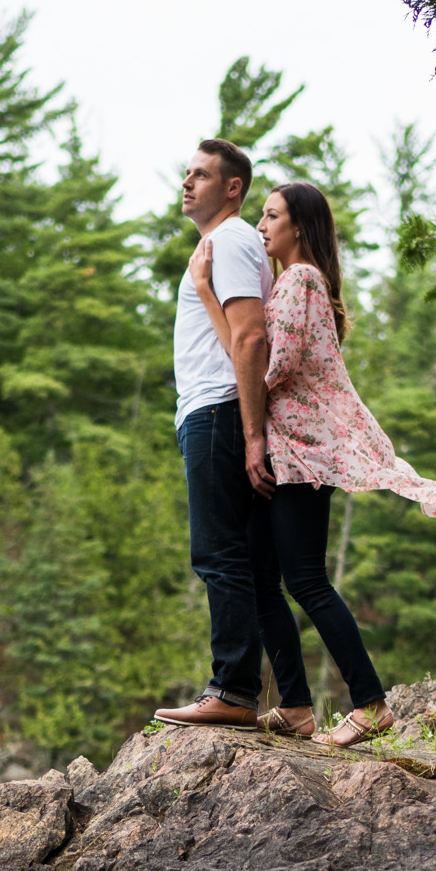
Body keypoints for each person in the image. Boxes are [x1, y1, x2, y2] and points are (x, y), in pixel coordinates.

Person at [189, 179, 436, 748]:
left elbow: (259, 366)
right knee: (260, 579)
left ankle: (372, 703)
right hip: (284, 458)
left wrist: (207, 291)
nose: (261, 226)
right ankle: (298, 707)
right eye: (261, 215)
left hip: (303, 461)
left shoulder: (302, 280)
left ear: (299, 227)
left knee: (304, 580)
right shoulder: (289, 284)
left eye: (271, 215)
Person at [152, 139, 274, 730]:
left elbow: (250, 339)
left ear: (232, 187)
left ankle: (233, 690)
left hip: (219, 412)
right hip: (215, 413)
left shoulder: (227, 240)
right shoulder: (222, 244)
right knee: (241, 558)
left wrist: (252, 435)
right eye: (186, 173)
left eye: (200, 175)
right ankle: (263, 693)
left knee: (219, 554)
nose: (187, 182)